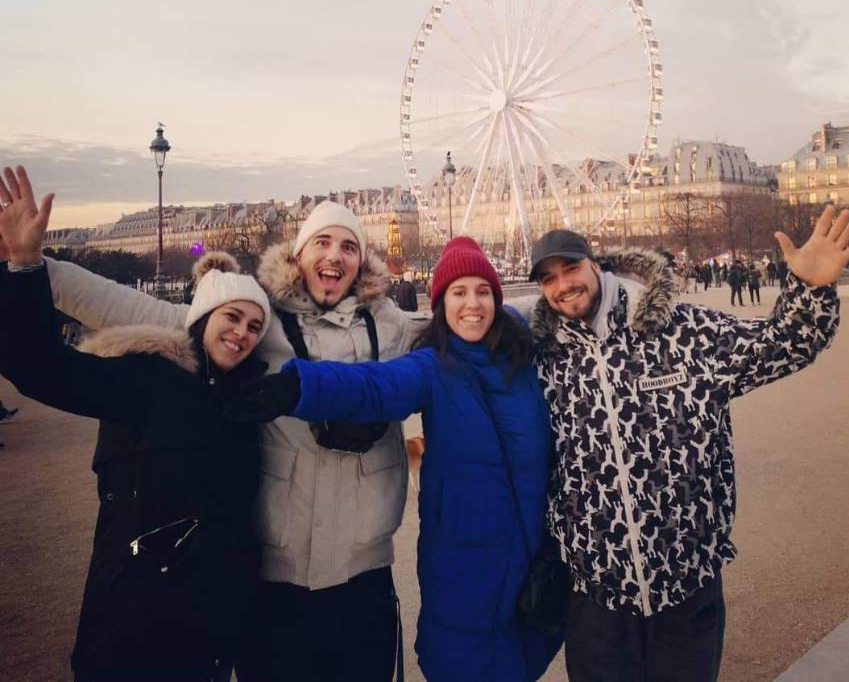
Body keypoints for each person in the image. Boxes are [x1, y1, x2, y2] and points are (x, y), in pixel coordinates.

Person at [34, 196, 429, 682]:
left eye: (348, 246)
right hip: (274, 576)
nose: (334, 255)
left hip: (364, 571)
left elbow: (470, 322)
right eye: (321, 242)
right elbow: (137, 308)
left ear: (361, 261)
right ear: (298, 255)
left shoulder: (392, 327)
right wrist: (36, 266)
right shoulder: (257, 320)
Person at [510, 210, 849, 682]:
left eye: (570, 269)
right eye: (548, 279)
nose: (562, 285)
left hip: (685, 579)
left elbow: (783, 345)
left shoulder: (681, 331)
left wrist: (810, 288)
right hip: (596, 592)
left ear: (596, 265)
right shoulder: (542, 359)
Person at [229, 237, 562, 682]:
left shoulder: (529, 357)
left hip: (531, 561)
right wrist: (298, 388)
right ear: (440, 303)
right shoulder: (432, 366)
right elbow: (373, 386)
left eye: (483, 292)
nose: (473, 304)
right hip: (464, 564)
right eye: (458, 293)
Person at [0, 166, 272, 682]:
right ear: (200, 320)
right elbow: (38, 367)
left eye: (254, 326)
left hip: (207, 638)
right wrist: (25, 266)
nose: (241, 333)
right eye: (230, 318)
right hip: (131, 628)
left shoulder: (248, 405)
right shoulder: (146, 377)